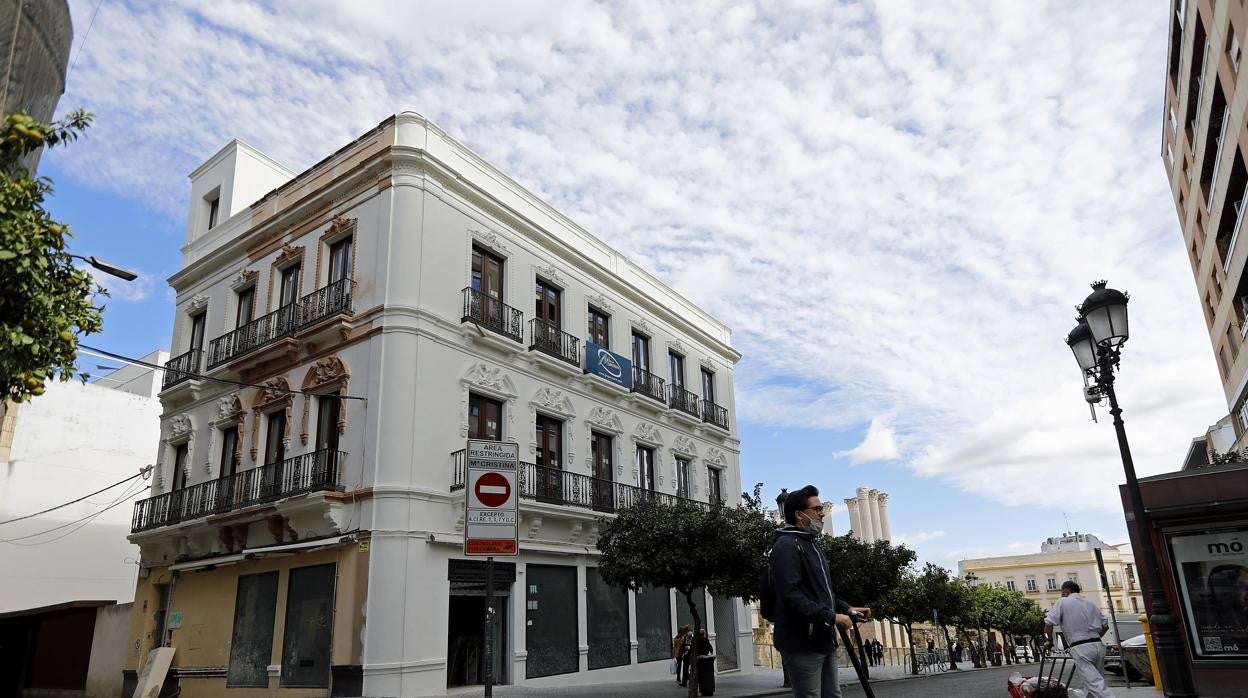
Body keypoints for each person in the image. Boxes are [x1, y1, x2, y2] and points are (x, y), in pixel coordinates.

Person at [769, 484, 871, 698]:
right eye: (817, 509)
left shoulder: (812, 545)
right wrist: (832, 616)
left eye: (822, 508)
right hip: (801, 642)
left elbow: (822, 592)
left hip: (823, 638)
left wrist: (847, 608)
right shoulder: (786, 546)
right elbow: (791, 595)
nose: (822, 513)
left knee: (833, 695)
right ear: (799, 515)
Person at [1044, 581, 1116, 698]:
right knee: (1092, 683)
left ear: (1066, 591)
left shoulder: (1063, 601)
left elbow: (1048, 623)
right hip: (1098, 644)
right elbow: (1105, 625)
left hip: (1081, 647)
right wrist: (1093, 638)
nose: (1061, 595)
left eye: (1062, 592)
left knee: (1095, 683)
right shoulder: (1090, 603)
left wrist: (1050, 641)